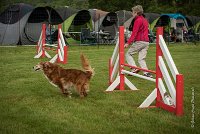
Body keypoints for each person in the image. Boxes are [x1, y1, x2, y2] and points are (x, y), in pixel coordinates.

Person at [124, 5, 153, 78]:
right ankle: (147, 73)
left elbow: (134, 33)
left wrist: (128, 43)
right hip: (146, 42)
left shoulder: (137, 20)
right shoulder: (145, 20)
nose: (132, 13)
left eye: (132, 12)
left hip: (140, 41)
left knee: (128, 54)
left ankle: (134, 68)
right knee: (141, 59)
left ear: (136, 12)